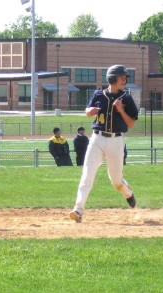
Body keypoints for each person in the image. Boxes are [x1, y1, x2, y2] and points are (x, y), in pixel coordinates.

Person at [69, 64, 139, 223]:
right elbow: (87, 111)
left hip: (116, 140)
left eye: (125, 78)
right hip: (97, 139)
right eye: (121, 77)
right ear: (112, 78)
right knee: (87, 175)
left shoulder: (126, 98)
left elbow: (131, 124)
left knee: (116, 180)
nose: (124, 80)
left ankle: (128, 193)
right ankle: (78, 210)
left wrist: (121, 110)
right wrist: (90, 111)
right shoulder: (98, 94)